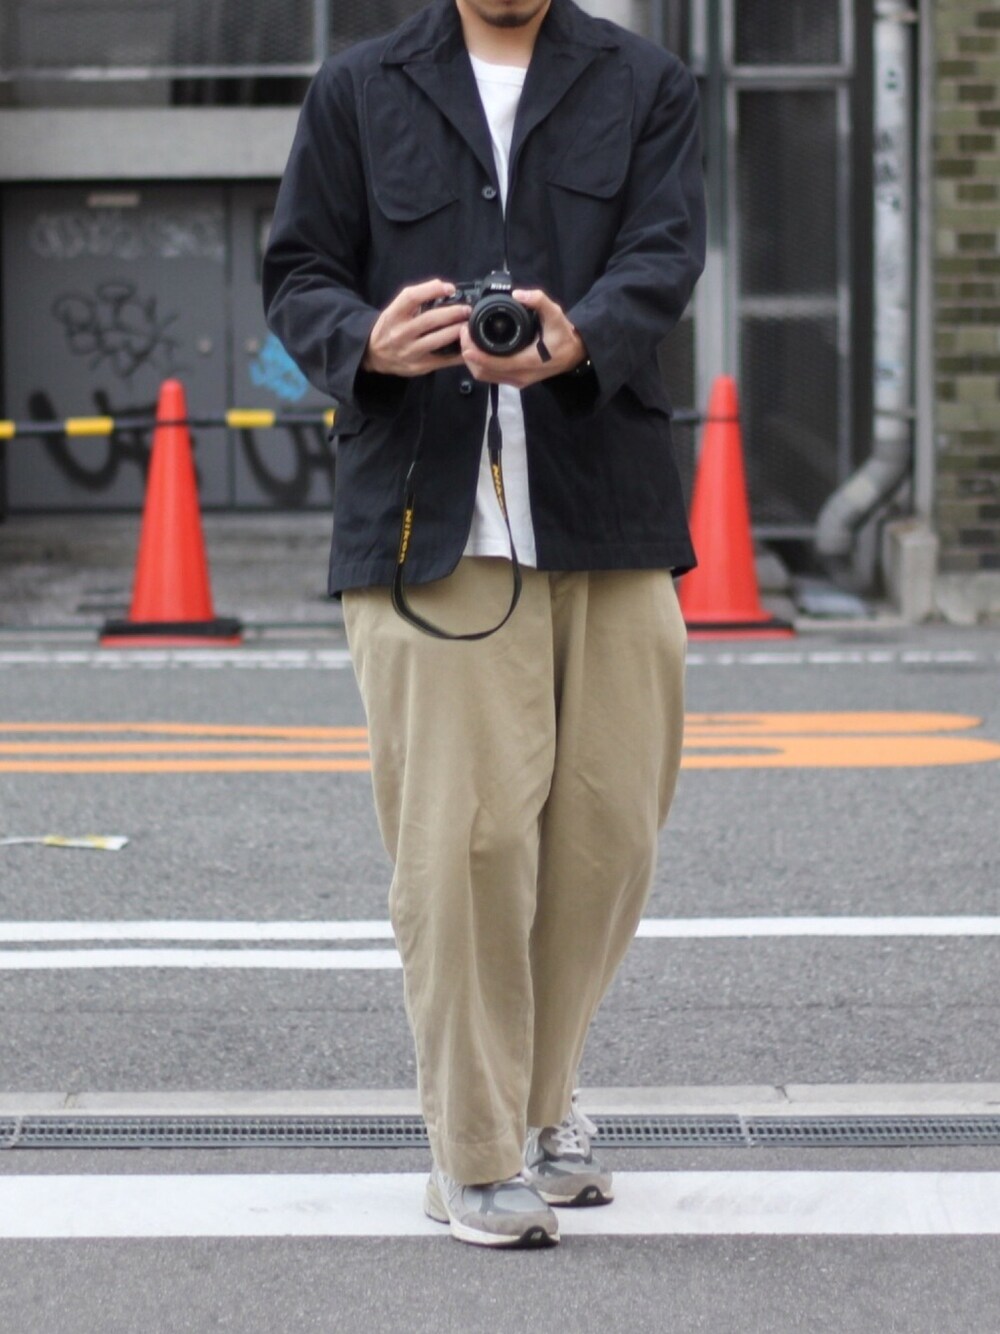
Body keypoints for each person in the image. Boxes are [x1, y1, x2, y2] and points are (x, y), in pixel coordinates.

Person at [263, 0, 705, 1248]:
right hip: (426, 518)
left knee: (609, 834)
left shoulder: (646, 81)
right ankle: (473, 1148)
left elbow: (665, 250)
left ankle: (542, 1100)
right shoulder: (359, 88)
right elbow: (297, 268)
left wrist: (581, 336)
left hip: (603, 506)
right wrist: (366, 341)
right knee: (465, 843)